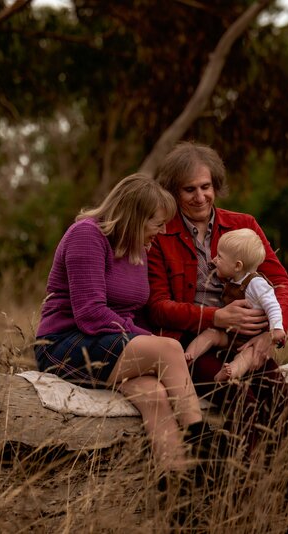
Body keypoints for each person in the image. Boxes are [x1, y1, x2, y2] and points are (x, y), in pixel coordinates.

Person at [146, 142, 288, 489]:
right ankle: (244, 494)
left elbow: (281, 283)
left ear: (215, 185)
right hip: (189, 343)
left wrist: (272, 333)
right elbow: (157, 305)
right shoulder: (161, 233)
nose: (199, 197)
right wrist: (216, 318)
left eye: (205, 187)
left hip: (246, 339)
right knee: (241, 402)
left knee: (282, 398)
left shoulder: (242, 225)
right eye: (188, 189)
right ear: (174, 191)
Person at [34, 173, 217, 481]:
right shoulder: (86, 236)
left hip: (112, 345)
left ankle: (182, 491)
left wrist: (147, 339)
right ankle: (210, 454)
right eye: (156, 224)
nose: (160, 232)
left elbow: (137, 312)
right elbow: (90, 314)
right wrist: (151, 344)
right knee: (168, 351)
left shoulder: (137, 248)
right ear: (134, 217)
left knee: (154, 394)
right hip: (64, 344)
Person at [183, 228, 288, 382]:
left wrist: (277, 328)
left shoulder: (256, 283)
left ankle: (231, 372)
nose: (214, 259)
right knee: (210, 334)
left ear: (238, 266)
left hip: (249, 339)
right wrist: (217, 264)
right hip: (230, 333)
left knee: (246, 356)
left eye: (219, 256)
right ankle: (189, 356)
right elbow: (219, 268)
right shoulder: (233, 278)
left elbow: (272, 305)